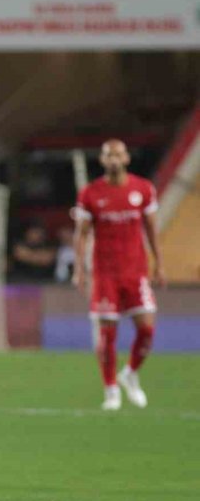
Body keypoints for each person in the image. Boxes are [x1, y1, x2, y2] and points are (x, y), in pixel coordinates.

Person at [73, 139, 165, 411]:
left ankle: (130, 373)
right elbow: (82, 234)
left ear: (126, 158)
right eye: (108, 155)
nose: (113, 158)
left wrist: (159, 263)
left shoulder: (143, 189)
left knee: (147, 328)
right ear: (102, 161)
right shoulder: (90, 193)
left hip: (135, 271)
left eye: (118, 154)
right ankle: (111, 389)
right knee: (107, 335)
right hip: (105, 274)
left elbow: (151, 229)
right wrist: (80, 269)